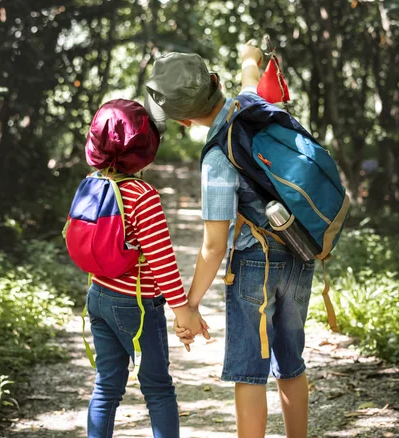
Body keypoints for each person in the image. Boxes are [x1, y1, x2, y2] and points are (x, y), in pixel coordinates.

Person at [144, 45, 313, 438]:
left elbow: (214, 247)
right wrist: (249, 56)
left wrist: (190, 303)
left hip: (255, 265)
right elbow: (251, 76)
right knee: (291, 362)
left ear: (184, 121)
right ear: (217, 81)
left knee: (249, 373)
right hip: (301, 252)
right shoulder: (251, 103)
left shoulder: (217, 157)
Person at [83, 99, 207, 438]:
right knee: (158, 389)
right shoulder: (142, 195)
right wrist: (183, 311)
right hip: (136, 305)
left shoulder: (92, 185)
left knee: (107, 387)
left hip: (97, 296)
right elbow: (163, 261)